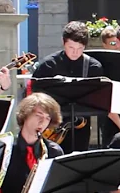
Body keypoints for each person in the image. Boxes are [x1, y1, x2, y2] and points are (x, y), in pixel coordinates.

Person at [31, 21, 104, 154]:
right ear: (63, 42)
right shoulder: (48, 65)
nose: (75, 53)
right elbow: (34, 96)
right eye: (71, 47)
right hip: (52, 126)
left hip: (81, 126)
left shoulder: (93, 67)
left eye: (80, 49)